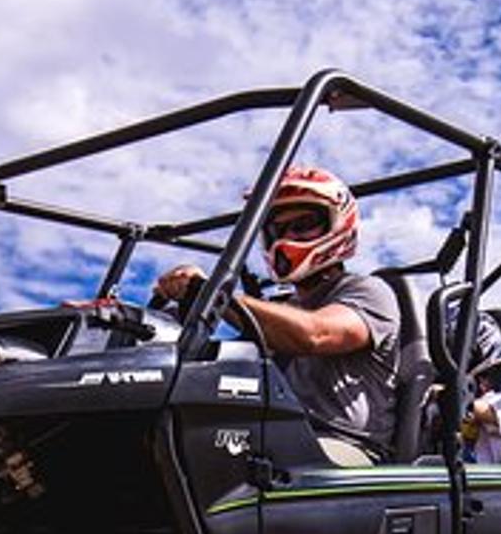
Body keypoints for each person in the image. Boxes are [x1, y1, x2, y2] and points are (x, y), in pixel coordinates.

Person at [154, 166, 400, 466]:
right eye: (278, 230)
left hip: (342, 446)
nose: (287, 238)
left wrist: (210, 292)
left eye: (303, 225)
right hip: (274, 432)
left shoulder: (369, 291)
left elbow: (316, 334)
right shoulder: (278, 308)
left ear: (337, 224)